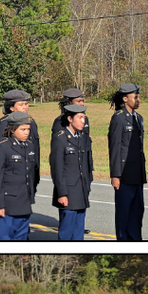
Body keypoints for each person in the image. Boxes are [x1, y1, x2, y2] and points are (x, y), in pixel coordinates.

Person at [0, 112, 38, 241]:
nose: (26, 132)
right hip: (7, 204)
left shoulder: (29, 146)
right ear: (12, 129)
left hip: (24, 203)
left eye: (28, 129)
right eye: (23, 129)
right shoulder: (2, 147)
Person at [49, 103, 93, 240]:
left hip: (81, 190)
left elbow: (84, 164)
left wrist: (87, 185)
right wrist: (62, 193)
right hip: (68, 191)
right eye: (79, 117)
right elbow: (57, 168)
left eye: (84, 118)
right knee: (67, 232)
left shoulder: (81, 137)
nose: (83, 121)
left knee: (79, 231)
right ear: (70, 119)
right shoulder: (60, 138)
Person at [108, 83, 146, 241]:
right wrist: (115, 175)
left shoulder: (139, 118)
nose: (138, 100)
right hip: (124, 175)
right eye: (135, 97)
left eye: (138, 97)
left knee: (137, 213)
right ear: (125, 99)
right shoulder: (119, 118)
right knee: (124, 214)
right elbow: (115, 148)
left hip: (137, 174)